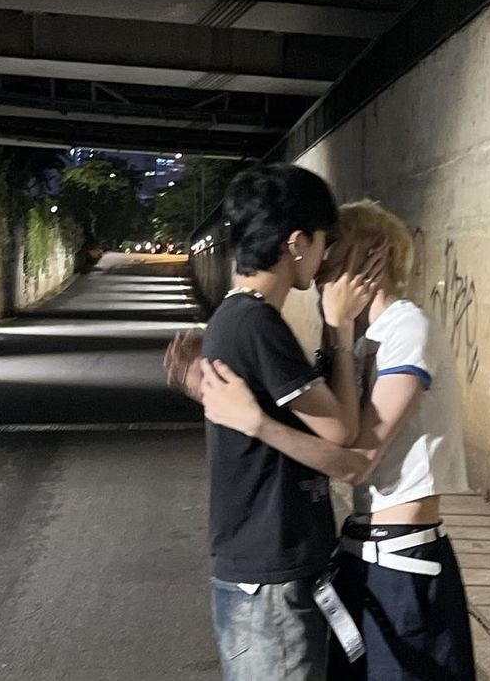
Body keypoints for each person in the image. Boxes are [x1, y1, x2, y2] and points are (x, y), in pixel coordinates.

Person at [201, 199, 476, 681]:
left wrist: (256, 423)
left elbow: (355, 463)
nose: (321, 262)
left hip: (402, 560)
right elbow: (325, 426)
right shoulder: (366, 337)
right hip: (362, 553)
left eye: (333, 245)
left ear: (375, 252)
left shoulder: (408, 328)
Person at [189, 165, 385, 681]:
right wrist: (338, 325)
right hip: (268, 579)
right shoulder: (255, 322)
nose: (324, 260)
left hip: (271, 569)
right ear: (296, 242)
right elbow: (340, 430)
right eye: (323, 242)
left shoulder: (243, 318)